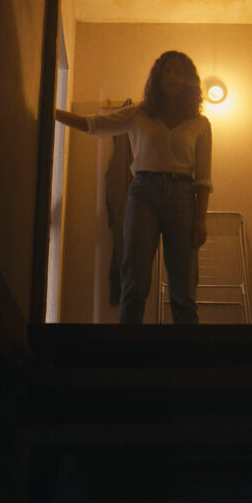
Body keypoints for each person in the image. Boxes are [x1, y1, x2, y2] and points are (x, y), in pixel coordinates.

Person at [55, 51, 212, 324]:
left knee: (183, 286)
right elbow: (94, 124)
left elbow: (204, 178)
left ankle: (188, 357)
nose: (173, 76)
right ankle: (128, 353)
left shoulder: (200, 123)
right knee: (135, 281)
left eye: (179, 72)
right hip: (143, 195)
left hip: (184, 197)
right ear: (158, 76)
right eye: (167, 70)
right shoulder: (139, 114)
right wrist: (51, 109)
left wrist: (201, 219)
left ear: (189, 81)